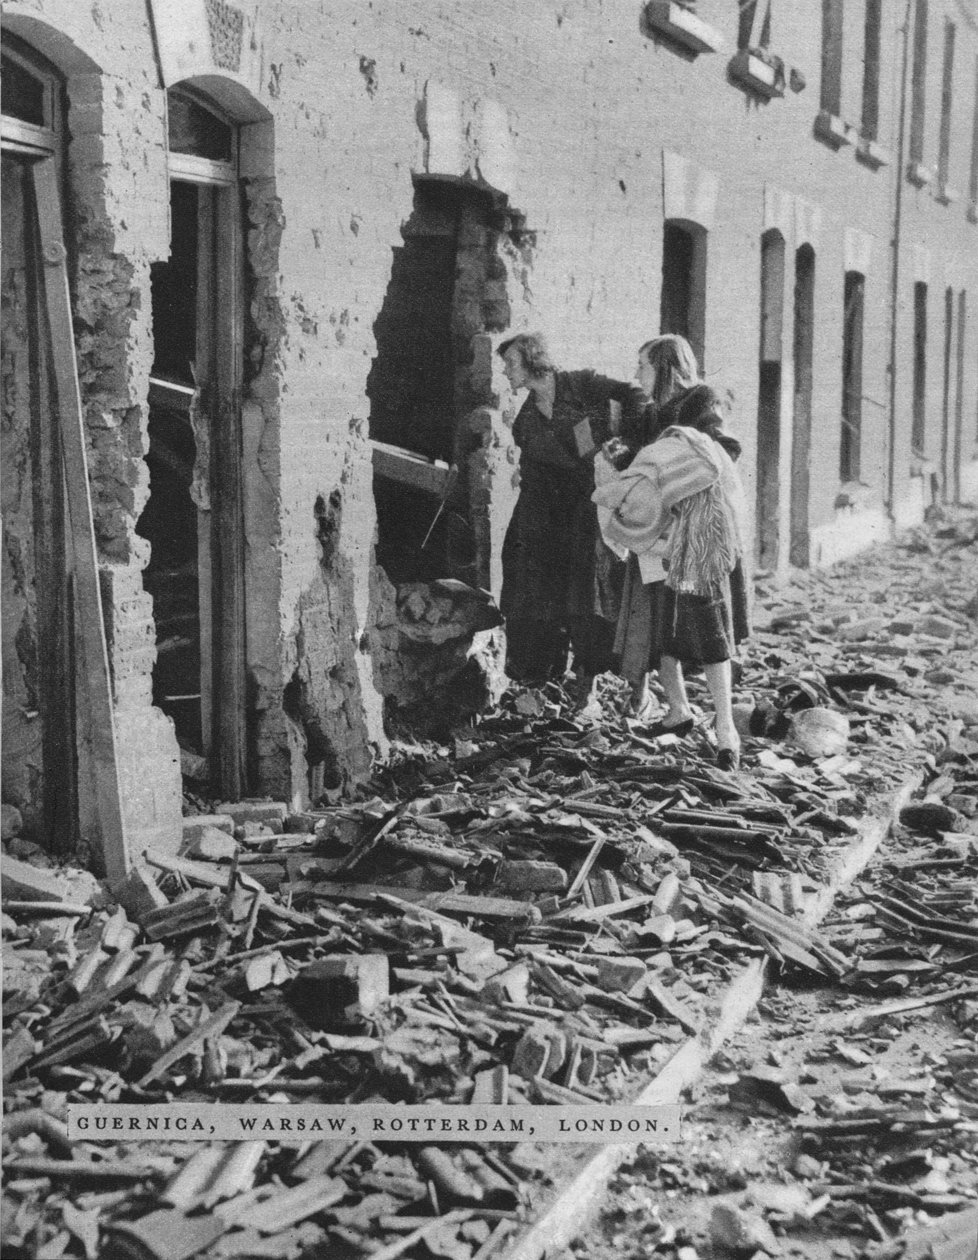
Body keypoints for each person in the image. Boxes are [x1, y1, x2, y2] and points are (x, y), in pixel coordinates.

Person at [594, 372, 750, 770]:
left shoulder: (700, 402)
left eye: (644, 365)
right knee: (664, 630)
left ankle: (726, 729)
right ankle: (678, 710)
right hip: (659, 540)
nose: (639, 373)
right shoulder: (653, 415)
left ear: (664, 366)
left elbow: (724, 451)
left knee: (710, 631)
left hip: (698, 538)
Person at [498, 332, 644, 702]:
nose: (505, 370)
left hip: (590, 506)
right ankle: (541, 676)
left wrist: (627, 442)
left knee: (591, 593)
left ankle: (592, 680)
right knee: (527, 580)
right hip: (547, 513)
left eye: (510, 362)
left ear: (533, 360)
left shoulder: (583, 386)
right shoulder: (526, 420)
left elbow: (636, 396)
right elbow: (532, 474)